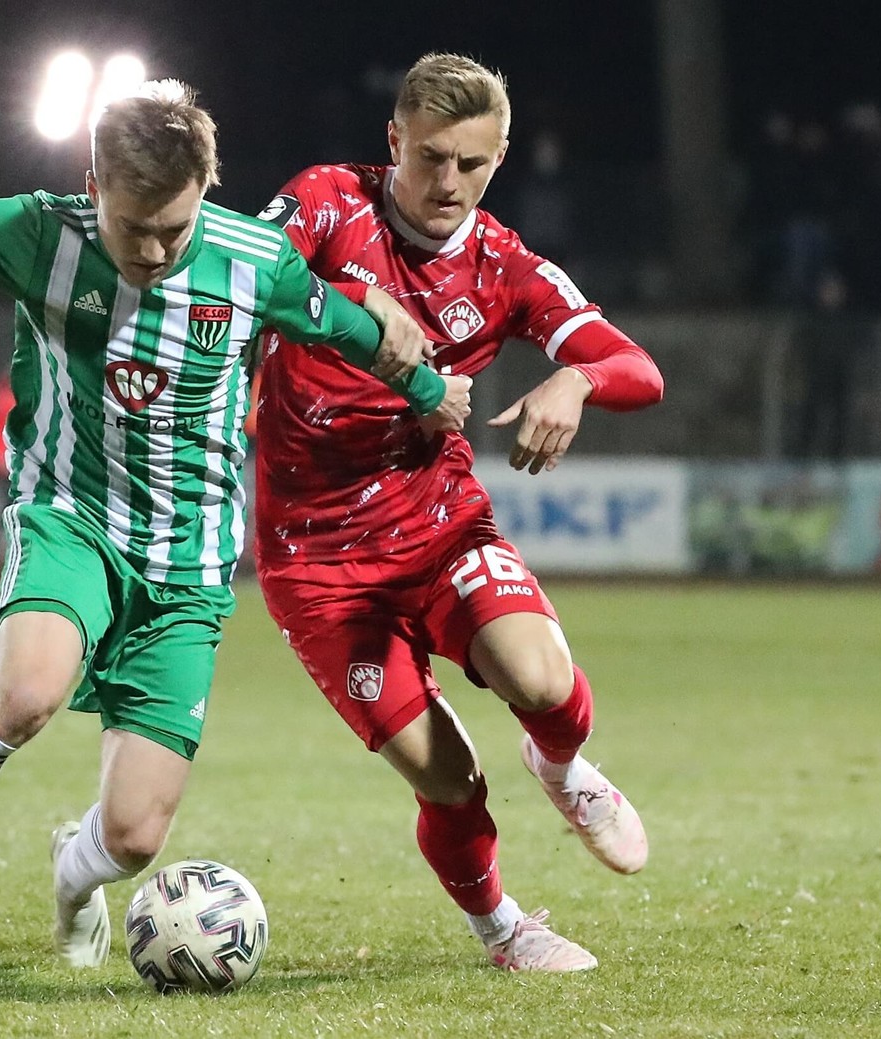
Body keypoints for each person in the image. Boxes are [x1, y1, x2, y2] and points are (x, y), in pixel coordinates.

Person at [0, 80, 473, 969]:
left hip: (188, 562)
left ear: (205, 193)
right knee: (26, 694)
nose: (154, 250)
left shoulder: (255, 261)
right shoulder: (38, 234)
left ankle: (74, 872)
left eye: (174, 229)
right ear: (93, 185)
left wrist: (429, 391)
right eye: (134, 227)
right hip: (72, 513)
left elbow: (346, 331)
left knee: (134, 837)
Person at [250, 54, 663, 973]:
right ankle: (504, 930)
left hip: (437, 525)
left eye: (471, 164)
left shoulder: (503, 266)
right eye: (430, 157)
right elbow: (242, 268)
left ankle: (560, 767)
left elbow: (639, 368)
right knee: (447, 776)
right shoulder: (328, 202)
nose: (448, 182)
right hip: (315, 561)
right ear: (393, 139)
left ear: (500, 157)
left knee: (541, 681)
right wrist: (360, 304)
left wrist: (576, 381)